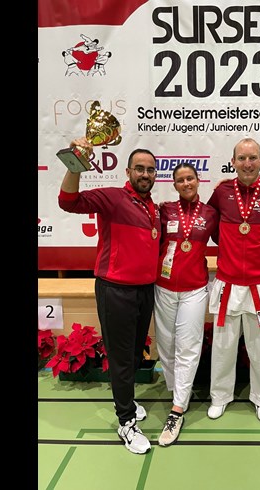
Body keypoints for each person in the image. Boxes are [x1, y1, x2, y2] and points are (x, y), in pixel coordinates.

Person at [57, 137, 159, 455]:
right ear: (128, 171)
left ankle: (126, 401)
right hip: (115, 290)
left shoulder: (153, 207)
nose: (145, 174)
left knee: (131, 356)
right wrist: (76, 162)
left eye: (151, 170)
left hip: (145, 290)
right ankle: (126, 422)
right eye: (139, 168)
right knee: (120, 359)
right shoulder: (112, 198)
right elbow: (67, 201)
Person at [205, 137, 260, 424]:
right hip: (228, 282)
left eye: (253, 158)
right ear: (233, 162)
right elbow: (213, 230)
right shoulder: (221, 192)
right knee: (223, 347)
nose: (247, 163)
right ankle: (220, 396)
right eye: (241, 158)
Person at [153, 163, 219, 447]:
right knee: (166, 346)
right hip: (163, 286)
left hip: (195, 289)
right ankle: (179, 390)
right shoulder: (163, 210)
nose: (186, 183)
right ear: (175, 184)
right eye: (180, 180)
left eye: (190, 178)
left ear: (198, 180)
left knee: (188, 346)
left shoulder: (211, 214)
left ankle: (178, 408)